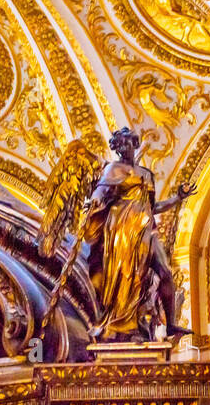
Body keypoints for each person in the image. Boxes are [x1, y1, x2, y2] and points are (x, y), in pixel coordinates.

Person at [81, 127, 193, 342]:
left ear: (134, 143)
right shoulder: (112, 170)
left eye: (126, 143)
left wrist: (178, 198)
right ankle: (122, 323)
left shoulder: (146, 174)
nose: (123, 148)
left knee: (165, 272)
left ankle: (170, 324)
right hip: (122, 231)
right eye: (119, 145)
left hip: (145, 230)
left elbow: (153, 207)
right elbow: (100, 193)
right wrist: (94, 201)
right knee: (126, 279)